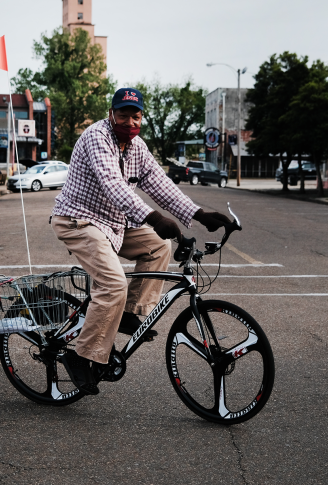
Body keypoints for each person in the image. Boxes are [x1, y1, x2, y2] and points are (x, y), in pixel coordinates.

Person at [50, 87, 231, 395]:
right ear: (111, 113)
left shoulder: (137, 147)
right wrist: (155, 218)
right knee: (113, 284)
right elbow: (114, 187)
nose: (130, 122)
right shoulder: (97, 138)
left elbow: (161, 185)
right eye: (123, 115)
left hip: (114, 224)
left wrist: (200, 214)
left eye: (136, 116)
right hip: (78, 220)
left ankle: (129, 314)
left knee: (158, 247)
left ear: (142, 117)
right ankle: (80, 356)